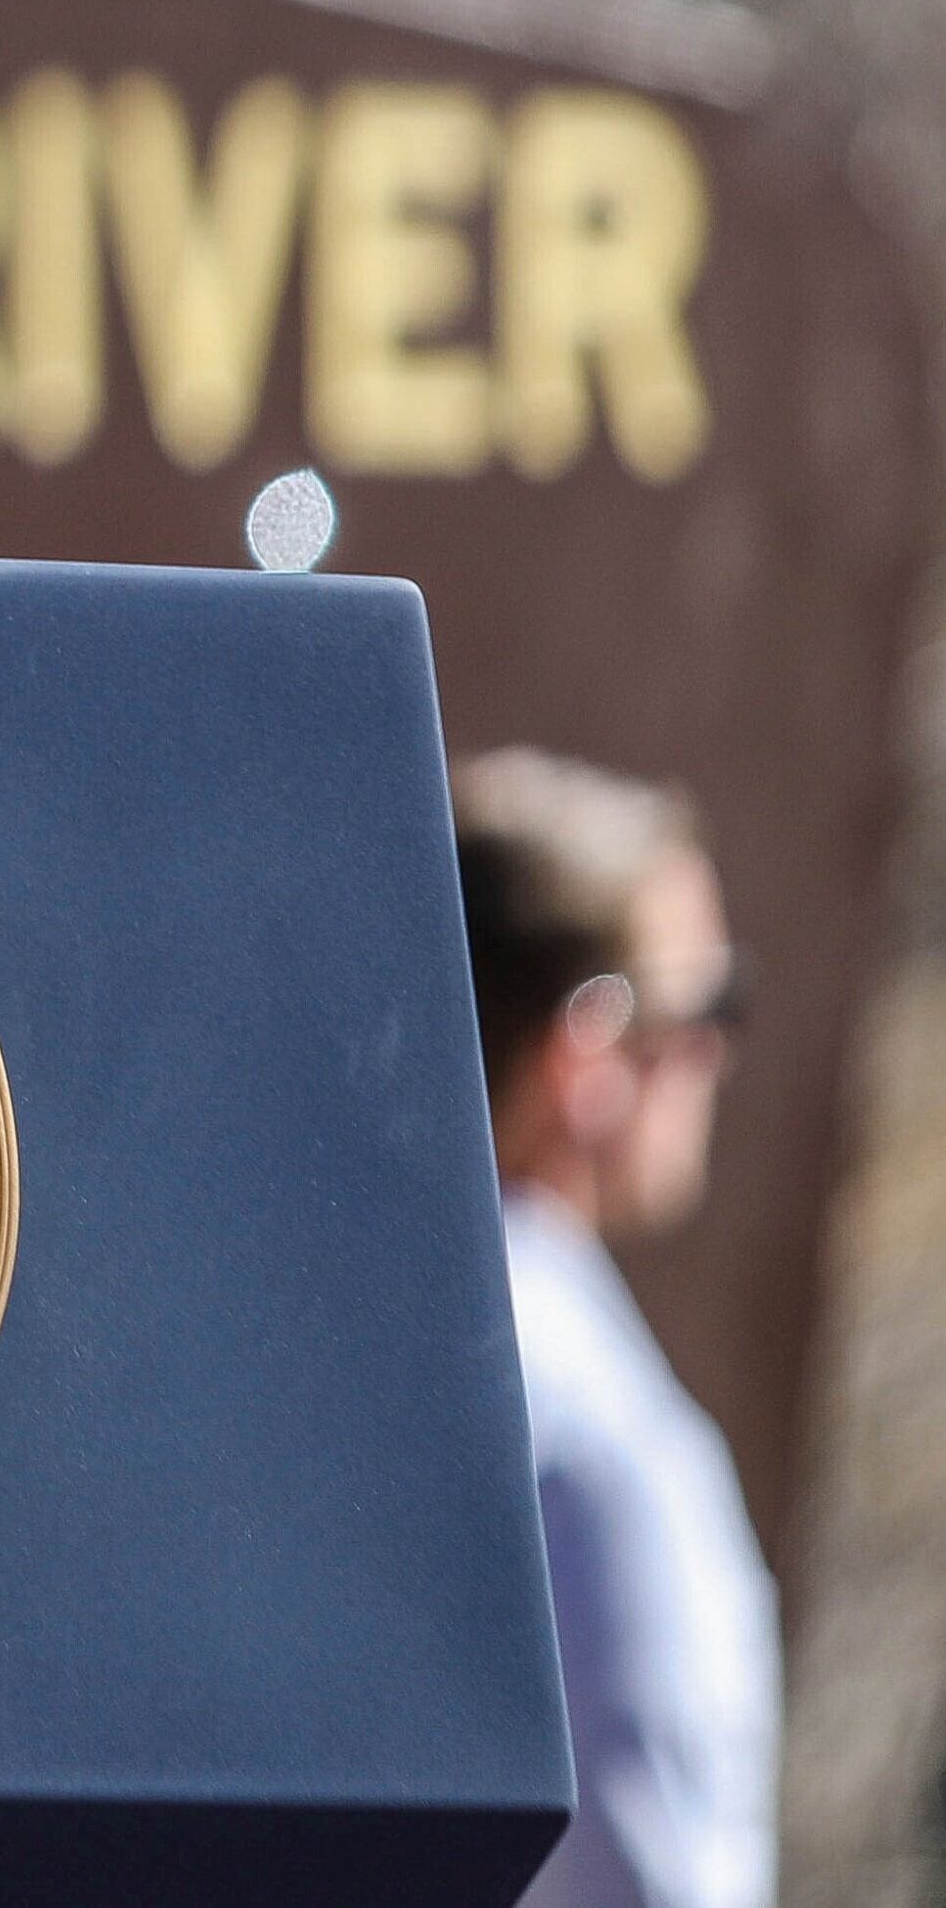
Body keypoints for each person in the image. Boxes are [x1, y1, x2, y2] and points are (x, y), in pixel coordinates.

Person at [453, 748, 779, 1908]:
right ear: (589, 1047)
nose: (721, 1054)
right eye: (708, 1006)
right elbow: (664, 1876)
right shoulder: (605, 1442)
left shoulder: (319, 1345)